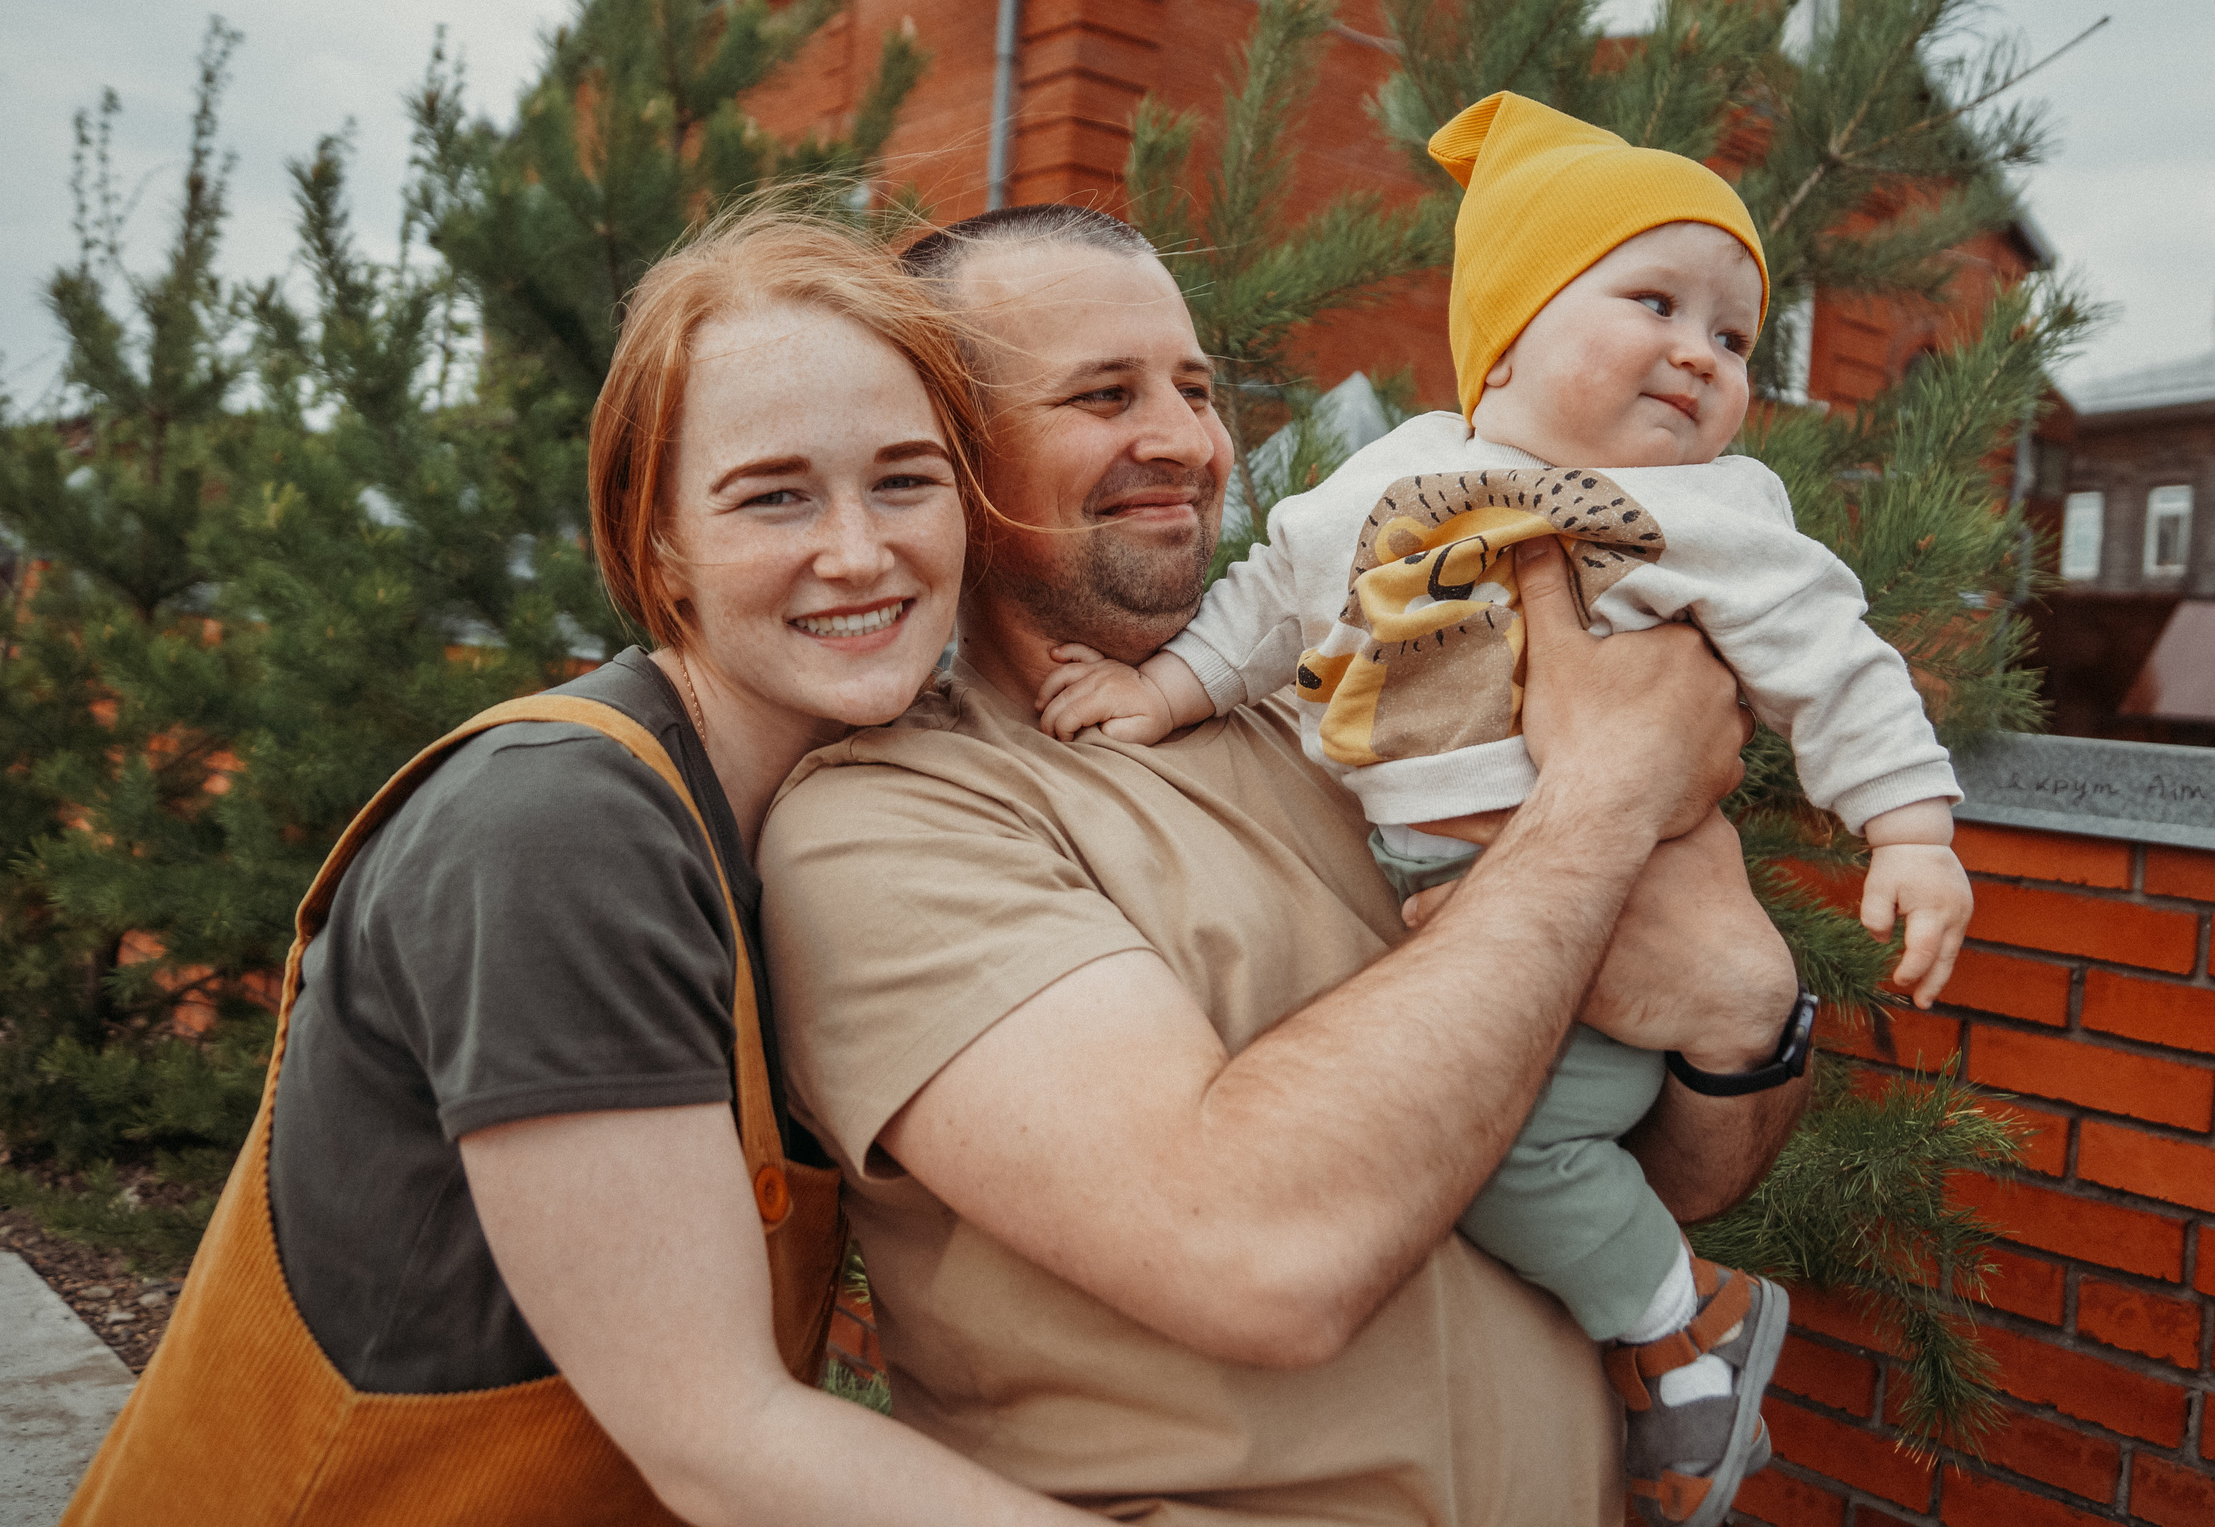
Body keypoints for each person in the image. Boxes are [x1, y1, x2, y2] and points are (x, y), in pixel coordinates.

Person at [756, 202, 1813, 1525]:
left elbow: (1669, 1176)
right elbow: (1263, 1263)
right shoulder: (893, 822)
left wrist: (1746, 1032)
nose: (1184, 442)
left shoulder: (1361, 717)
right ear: (945, 454)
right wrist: (1600, 807)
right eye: (1101, 393)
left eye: (1195, 389)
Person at [62, 214, 1094, 1527]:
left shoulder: (837, 816)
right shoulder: (557, 831)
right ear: (656, 540)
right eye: (774, 493)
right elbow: (719, 1437)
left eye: (905, 479)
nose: (857, 550)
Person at [1031, 95, 1977, 1522]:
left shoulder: (1713, 513)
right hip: (1465, 908)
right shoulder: (1379, 482)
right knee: (1470, 1147)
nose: (1697, 353)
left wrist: (1908, 828)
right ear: (1511, 335)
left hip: (1600, 955)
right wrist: (1165, 697)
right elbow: (1270, 607)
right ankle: (1680, 1321)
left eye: (1732, 337)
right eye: (1653, 301)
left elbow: (1836, 663)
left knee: (1509, 1155)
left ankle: (1677, 1321)